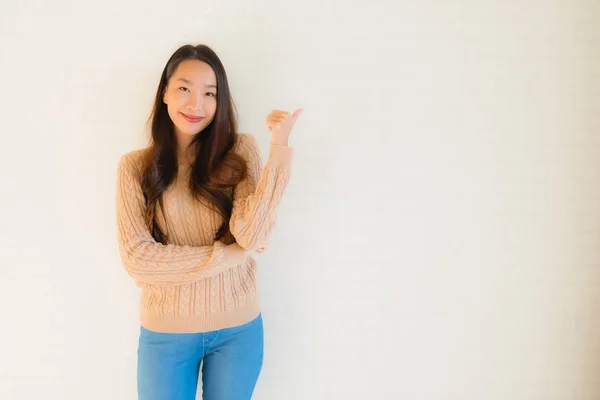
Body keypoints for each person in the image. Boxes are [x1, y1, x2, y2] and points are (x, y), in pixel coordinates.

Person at [115, 44, 302, 400]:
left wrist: (280, 147)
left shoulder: (241, 151)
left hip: (238, 330)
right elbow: (137, 259)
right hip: (166, 333)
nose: (195, 104)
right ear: (165, 92)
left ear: (220, 101)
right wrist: (228, 255)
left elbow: (253, 233)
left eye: (209, 93)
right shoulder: (134, 168)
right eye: (184, 88)